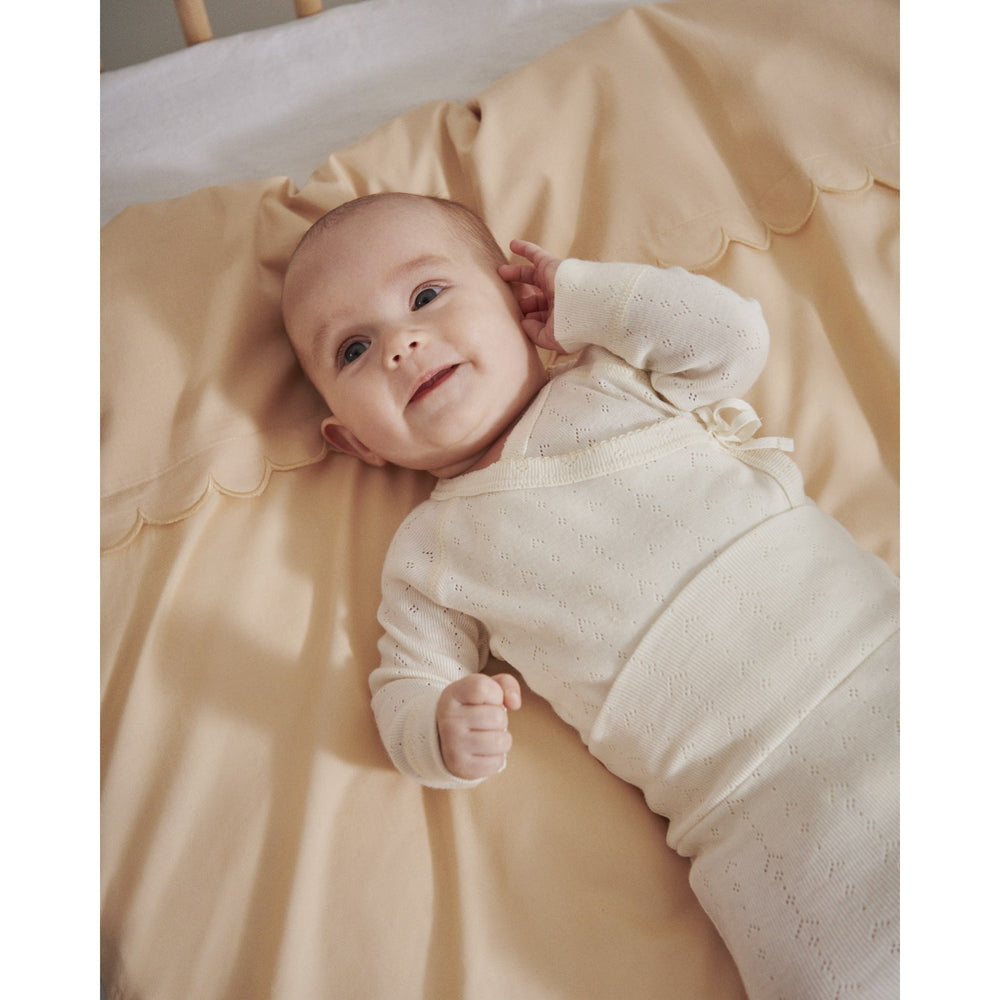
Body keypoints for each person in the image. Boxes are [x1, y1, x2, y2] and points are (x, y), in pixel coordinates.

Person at [281, 192, 899, 999]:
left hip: (882, 660)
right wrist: (437, 729)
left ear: (515, 297)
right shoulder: (429, 552)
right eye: (354, 349)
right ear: (354, 440)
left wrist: (586, 296)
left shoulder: (618, 374)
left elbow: (734, 338)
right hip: (745, 806)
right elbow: (407, 684)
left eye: (426, 295)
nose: (400, 344)